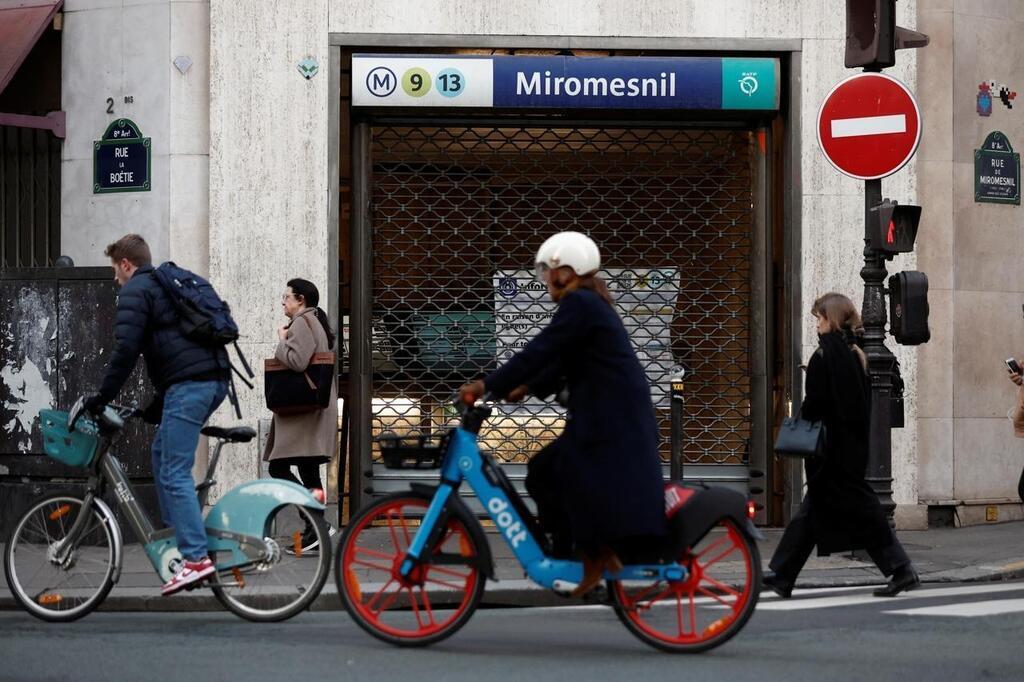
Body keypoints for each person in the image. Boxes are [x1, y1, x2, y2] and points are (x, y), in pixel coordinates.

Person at [461, 231, 665, 597]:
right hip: (606, 419)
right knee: (542, 471)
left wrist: (486, 384)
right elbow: (562, 359)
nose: (547, 280)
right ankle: (584, 554)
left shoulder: (582, 305)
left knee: (561, 474)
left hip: (607, 423)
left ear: (568, 271)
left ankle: (586, 555)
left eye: (551, 272)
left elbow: (541, 349)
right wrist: (525, 388)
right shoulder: (587, 306)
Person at [85, 234, 229, 596]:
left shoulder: (136, 289)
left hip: (191, 386)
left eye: (115, 272)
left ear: (126, 264)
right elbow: (176, 350)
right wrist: (154, 406)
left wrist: (102, 397)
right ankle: (179, 544)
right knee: (162, 455)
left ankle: (195, 559)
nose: (116, 280)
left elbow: (126, 348)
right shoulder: (166, 286)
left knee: (174, 469)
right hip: (208, 380)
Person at [763, 292, 920, 599]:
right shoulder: (853, 354)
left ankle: (901, 569)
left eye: (820, 318)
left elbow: (818, 406)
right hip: (848, 452)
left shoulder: (826, 356)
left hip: (832, 454)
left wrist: (801, 412)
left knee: (857, 514)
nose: (817, 324)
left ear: (831, 319)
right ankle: (782, 576)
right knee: (820, 514)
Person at [264, 278, 339, 552]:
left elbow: (296, 361)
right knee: (308, 470)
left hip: (303, 413)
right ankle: (315, 530)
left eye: (287, 297)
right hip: (312, 410)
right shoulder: (316, 321)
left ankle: (316, 523)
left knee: (278, 467)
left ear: (301, 300)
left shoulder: (301, 323)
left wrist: (282, 341)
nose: (283, 301)